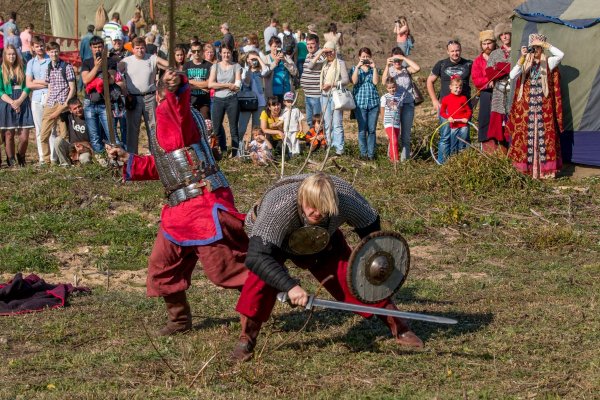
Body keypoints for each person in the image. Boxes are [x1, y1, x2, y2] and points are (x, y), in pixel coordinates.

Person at [106, 69, 250, 336]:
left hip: (203, 205)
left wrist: (177, 88)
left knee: (225, 270)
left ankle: (263, 296)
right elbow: (166, 165)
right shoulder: (169, 123)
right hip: (180, 209)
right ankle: (179, 321)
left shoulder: (173, 114)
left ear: (159, 96)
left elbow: (177, 108)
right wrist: (127, 159)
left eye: (158, 97)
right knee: (162, 266)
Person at [232, 172, 424, 362]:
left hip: (322, 238)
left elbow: (370, 224)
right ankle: (246, 339)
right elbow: (257, 257)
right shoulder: (279, 207)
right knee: (259, 282)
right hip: (275, 242)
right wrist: (290, 286)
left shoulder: (345, 199)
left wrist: (374, 265)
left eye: (324, 209)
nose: (317, 213)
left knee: (352, 276)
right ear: (302, 199)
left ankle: (399, 325)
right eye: (312, 207)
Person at [506, 34, 564, 179]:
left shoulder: (549, 62)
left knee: (545, 138)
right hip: (528, 109)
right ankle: (527, 171)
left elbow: (561, 54)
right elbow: (512, 76)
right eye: (534, 47)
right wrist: (522, 58)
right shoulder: (526, 63)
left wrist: (546, 45)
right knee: (526, 138)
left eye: (538, 48)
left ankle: (545, 172)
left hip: (544, 109)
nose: (536, 50)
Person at [119, 36, 169, 154]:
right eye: (137, 48)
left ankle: (155, 154)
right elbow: (115, 72)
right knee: (133, 129)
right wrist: (123, 89)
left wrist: (163, 78)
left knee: (153, 127)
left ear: (145, 48)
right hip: (133, 98)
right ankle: (132, 156)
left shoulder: (151, 58)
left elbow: (168, 64)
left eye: (142, 48)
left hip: (150, 97)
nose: (140, 50)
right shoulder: (126, 61)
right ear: (133, 49)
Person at [426, 40, 472, 164]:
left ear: (460, 50)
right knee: (445, 137)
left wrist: (476, 99)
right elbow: (429, 81)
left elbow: (479, 79)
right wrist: (435, 100)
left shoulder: (468, 64)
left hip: (463, 108)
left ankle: (462, 164)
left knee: (463, 137)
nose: (455, 53)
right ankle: (443, 164)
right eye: (452, 51)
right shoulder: (441, 64)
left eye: (457, 50)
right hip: (446, 108)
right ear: (448, 51)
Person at [38, 41, 76, 165]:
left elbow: (72, 88)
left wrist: (66, 103)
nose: (54, 54)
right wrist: (47, 102)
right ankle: (47, 159)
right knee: (43, 134)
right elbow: (49, 87)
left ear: (59, 52)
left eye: (56, 51)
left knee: (64, 135)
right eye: (51, 51)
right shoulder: (49, 67)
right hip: (51, 102)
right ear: (48, 52)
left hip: (63, 103)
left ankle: (64, 159)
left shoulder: (67, 66)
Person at [381, 47, 421, 161]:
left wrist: (403, 57)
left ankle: (404, 159)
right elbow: (383, 81)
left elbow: (417, 68)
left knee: (406, 134)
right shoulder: (391, 71)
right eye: (395, 60)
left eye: (399, 60)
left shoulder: (406, 70)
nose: (397, 62)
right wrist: (387, 65)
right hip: (394, 105)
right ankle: (392, 157)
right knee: (394, 133)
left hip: (408, 104)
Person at [80, 36, 114, 161]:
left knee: (111, 134)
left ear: (104, 47)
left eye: (100, 46)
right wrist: (95, 67)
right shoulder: (87, 62)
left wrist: (103, 65)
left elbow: (111, 80)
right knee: (94, 135)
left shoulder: (110, 61)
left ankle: (113, 159)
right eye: (95, 47)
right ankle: (101, 161)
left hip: (105, 102)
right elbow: (85, 79)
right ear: (91, 48)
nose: (97, 49)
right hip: (90, 103)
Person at [0, 44, 33, 167]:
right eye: (9, 54)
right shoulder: (1, 70)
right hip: (7, 101)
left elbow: (27, 86)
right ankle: (11, 158)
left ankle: (21, 155)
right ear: (5, 55)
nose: (11, 56)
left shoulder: (23, 68)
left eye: (13, 54)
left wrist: (19, 101)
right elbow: (0, 90)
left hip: (22, 99)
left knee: (24, 136)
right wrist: (12, 102)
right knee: (9, 134)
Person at [208, 44, 242, 156]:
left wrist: (228, 86)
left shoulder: (236, 66)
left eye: (228, 52)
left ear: (231, 53)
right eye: (224, 52)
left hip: (232, 99)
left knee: (233, 129)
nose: (226, 55)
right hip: (217, 99)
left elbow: (237, 85)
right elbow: (210, 84)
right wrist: (227, 85)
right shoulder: (215, 67)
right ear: (220, 54)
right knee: (216, 129)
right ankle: (219, 151)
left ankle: (234, 152)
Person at [316, 41, 349, 156]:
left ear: (335, 51)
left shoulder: (340, 63)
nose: (329, 54)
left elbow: (345, 80)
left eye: (331, 51)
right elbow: (311, 66)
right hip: (324, 96)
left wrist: (332, 84)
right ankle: (329, 145)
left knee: (337, 123)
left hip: (335, 96)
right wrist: (321, 52)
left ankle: (339, 148)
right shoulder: (324, 63)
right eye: (327, 52)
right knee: (327, 123)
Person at [484, 22, 512, 153]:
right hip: (499, 93)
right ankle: (502, 155)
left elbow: (517, 69)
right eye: (502, 35)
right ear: (499, 37)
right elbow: (489, 73)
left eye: (506, 33)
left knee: (512, 122)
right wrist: (507, 67)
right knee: (499, 127)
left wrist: (499, 67)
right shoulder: (495, 54)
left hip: (513, 91)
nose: (505, 37)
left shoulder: (518, 50)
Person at [25, 35, 51, 164]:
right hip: (36, 98)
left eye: (41, 45)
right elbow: (28, 84)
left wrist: (36, 81)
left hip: (49, 96)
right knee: (39, 129)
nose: (40, 48)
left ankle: (53, 156)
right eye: (37, 46)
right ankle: (42, 157)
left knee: (50, 127)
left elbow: (52, 82)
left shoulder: (50, 60)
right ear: (33, 48)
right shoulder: (31, 63)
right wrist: (44, 82)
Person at [350, 47, 379, 160]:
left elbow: (376, 82)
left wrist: (374, 67)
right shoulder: (354, 68)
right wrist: (358, 67)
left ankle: (371, 154)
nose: (365, 58)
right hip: (360, 103)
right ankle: (363, 154)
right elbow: (354, 81)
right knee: (362, 129)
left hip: (373, 103)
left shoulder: (373, 69)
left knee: (371, 129)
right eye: (363, 57)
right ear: (359, 57)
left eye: (367, 56)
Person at [472, 30, 496, 151]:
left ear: (494, 43)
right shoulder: (478, 61)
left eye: (489, 43)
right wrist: (489, 81)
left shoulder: (500, 56)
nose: (487, 46)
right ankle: (488, 149)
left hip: (501, 93)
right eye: (484, 43)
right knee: (486, 120)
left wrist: (495, 80)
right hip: (486, 93)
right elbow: (477, 80)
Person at [439, 75, 472, 160]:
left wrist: (466, 118)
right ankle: (453, 160)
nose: (458, 89)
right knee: (453, 144)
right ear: (450, 87)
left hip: (463, 125)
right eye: (456, 87)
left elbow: (468, 111)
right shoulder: (446, 99)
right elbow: (442, 112)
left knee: (463, 143)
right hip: (454, 125)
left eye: (460, 87)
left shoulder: (463, 98)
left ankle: (463, 160)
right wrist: (448, 117)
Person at [238, 50, 268, 142]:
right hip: (246, 102)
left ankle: (254, 148)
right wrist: (249, 70)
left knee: (257, 130)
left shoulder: (260, 71)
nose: (253, 61)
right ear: (247, 59)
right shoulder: (244, 70)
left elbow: (266, 70)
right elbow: (245, 83)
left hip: (260, 103)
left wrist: (258, 58)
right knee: (242, 128)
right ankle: (238, 148)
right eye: (251, 59)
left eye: (255, 59)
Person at [53, 98, 93, 166]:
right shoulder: (69, 116)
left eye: (79, 106)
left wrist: (85, 147)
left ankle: (82, 165)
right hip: (71, 147)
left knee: (84, 158)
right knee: (58, 140)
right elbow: (54, 116)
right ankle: (65, 164)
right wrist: (65, 105)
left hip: (85, 147)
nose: (78, 110)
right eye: (75, 108)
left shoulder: (90, 116)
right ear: (70, 110)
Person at [263, 36, 297, 103]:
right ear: (270, 46)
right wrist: (275, 62)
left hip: (286, 92)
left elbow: (295, 72)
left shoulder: (286, 57)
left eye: (278, 46)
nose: (276, 48)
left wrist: (284, 61)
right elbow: (264, 74)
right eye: (274, 46)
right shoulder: (266, 59)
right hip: (272, 92)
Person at [184, 41, 212, 119]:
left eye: (198, 51)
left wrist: (190, 81)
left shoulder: (208, 65)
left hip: (204, 102)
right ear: (191, 52)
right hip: (190, 101)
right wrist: (201, 87)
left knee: (207, 126)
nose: (196, 53)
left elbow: (208, 84)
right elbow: (185, 85)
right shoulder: (186, 65)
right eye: (194, 51)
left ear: (202, 51)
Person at [300, 34, 323, 128]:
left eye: (312, 44)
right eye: (308, 44)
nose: (309, 46)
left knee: (317, 121)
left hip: (316, 95)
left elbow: (311, 65)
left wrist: (320, 53)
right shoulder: (308, 55)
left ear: (317, 44)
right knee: (309, 120)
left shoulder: (321, 56)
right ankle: (311, 141)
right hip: (307, 95)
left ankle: (319, 141)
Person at [380, 78, 402, 163]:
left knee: (394, 141)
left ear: (395, 86)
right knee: (394, 140)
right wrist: (383, 122)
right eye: (389, 88)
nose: (391, 89)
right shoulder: (384, 97)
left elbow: (400, 109)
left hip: (396, 122)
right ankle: (395, 160)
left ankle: (390, 157)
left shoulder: (399, 96)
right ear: (386, 88)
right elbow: (382, 110)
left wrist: (399, 121)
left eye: (393, 87)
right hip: (388, 122)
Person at [280, 91, 305, 156]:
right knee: (288, 142)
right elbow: (281, 120)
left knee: (295, 141)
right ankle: (290, 152)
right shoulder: (283, 111)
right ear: (284, 102)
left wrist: (301, 127)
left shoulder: (296, 110)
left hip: (294, 129)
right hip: (286, 130)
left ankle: (296, 153)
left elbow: (300, 119)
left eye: (291, 101)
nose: (290, 103)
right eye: (288, 102)